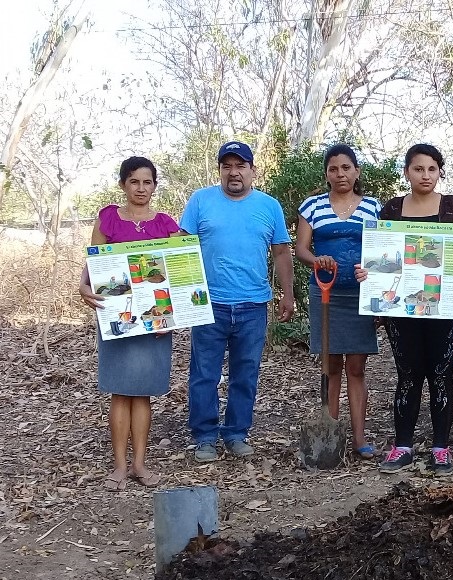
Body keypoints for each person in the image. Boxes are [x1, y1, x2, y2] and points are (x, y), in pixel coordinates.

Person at [180, 142, 294, 462]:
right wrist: (180, 297)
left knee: (245, 373)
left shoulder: (269, 206)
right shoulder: (200, 201)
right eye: (227, 166)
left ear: (252, 170)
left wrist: (287, 294)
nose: (234, 172)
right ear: (219, 170)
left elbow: (282, 252)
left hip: (253, 306)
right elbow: (181, 248)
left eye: (240, 165)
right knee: (204, 374)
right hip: (209, 304)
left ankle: (235, 433)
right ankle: (204, 436)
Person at [80, 157, 180, 490]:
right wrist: (83, 286)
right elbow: (93, 259)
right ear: (123, 184)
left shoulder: (167, 225)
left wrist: (176, 312)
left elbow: (180, 272)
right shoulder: (108, 217)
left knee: (143, 394)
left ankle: (140, 464)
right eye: (134, 181)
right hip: (117, 315)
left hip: (154, 319)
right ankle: (119, 467)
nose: (141, 188)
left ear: (154, 186)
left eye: (147, 182)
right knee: (120, 393)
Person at [373, 144, 453, 476]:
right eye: (418, 169)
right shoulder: (390, 210)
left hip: (445, 307)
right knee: (408, 373)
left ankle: (441, 448)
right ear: (407, 172)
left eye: (431, 169)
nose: (425, 175)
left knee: (441, 374)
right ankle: (402, 447)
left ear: (439, 171)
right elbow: (380, 258)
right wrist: (368, 274)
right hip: (402, 309)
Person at [296, 144, 382, 459]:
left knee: (357, 368)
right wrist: (318, 259)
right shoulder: (313, 206)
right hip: (325, 293)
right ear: (327, 174)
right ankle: (331, 434)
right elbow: (301, 249)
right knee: (331, 366)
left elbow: (385, 250)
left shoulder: (374, 207)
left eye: (346, 168)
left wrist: (371, 270)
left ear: (356, 171)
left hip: (361, 295)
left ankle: (360, 439)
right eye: (333, 169)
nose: (340, 174)